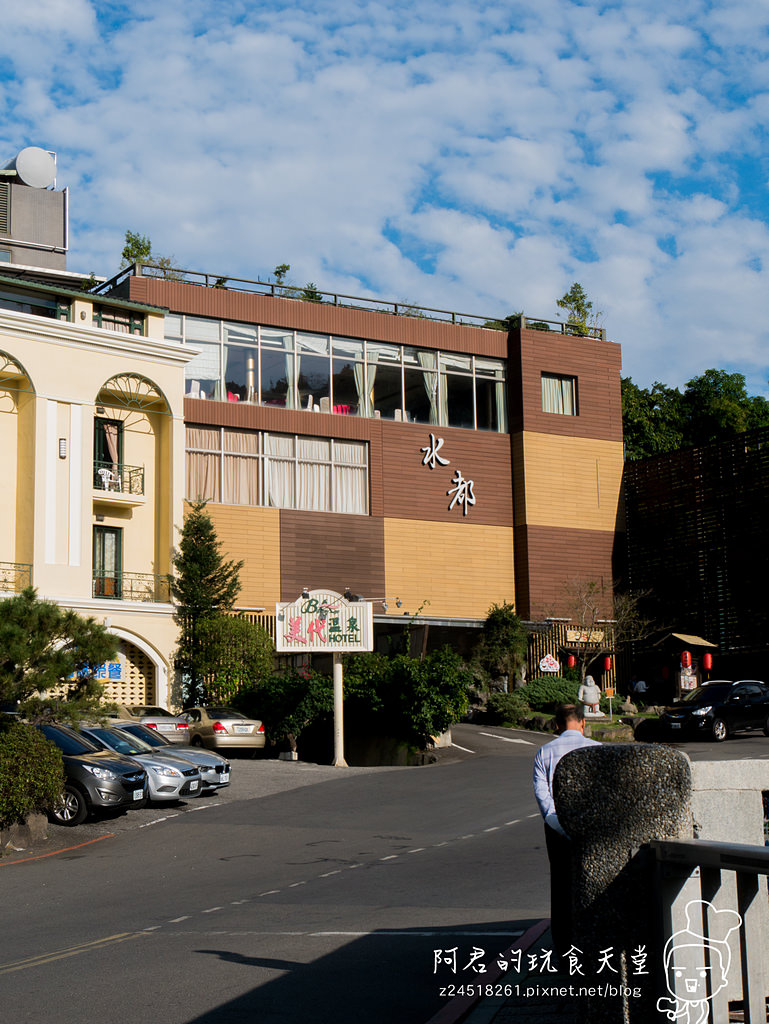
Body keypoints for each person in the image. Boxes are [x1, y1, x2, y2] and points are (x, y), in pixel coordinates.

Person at [532, 703, 600, 955]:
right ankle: (593, 942)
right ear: (583, 723)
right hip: (592, 830)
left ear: (557, 725)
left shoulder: (544, 753)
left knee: (561, 886)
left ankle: (564, 948)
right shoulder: (597, 751)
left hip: (557, 829)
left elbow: (544, 799)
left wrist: (560, 825)